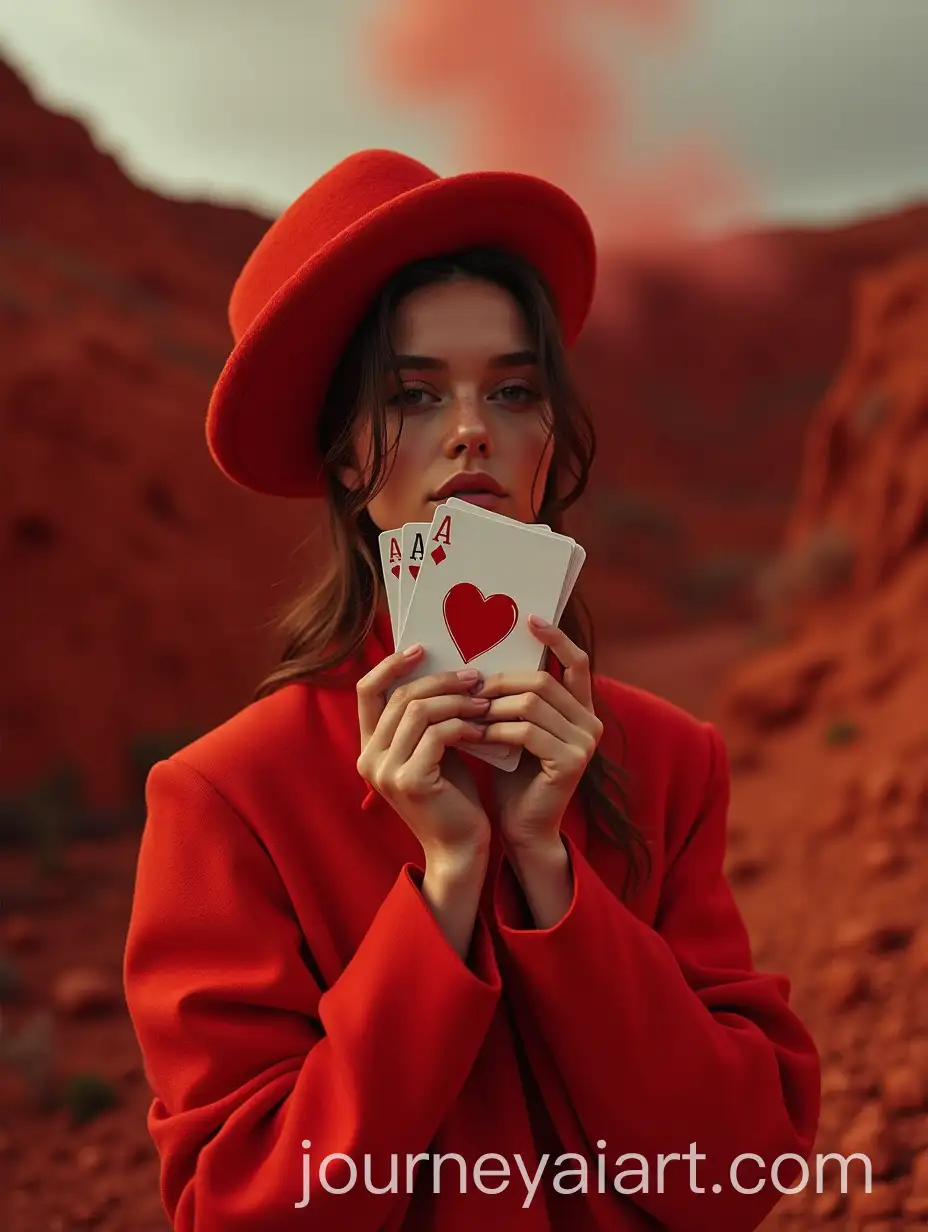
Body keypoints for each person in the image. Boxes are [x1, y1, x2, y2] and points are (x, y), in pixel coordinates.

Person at [123, 148, 821, 1232]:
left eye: (511, 388)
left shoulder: (670, 757)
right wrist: (447, 885)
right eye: (410, 395)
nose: (470, 428)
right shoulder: (227, 797)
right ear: (348, 456)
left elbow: (732, 1172)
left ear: (549, 439)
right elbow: (241, 1207)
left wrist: (549, 867)